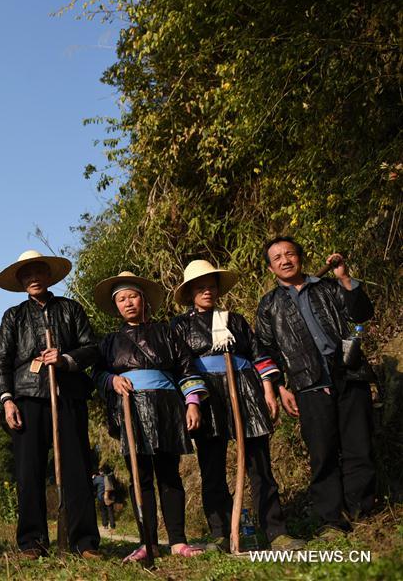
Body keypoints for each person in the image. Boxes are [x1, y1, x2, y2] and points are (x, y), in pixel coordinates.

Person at [171, 260, 303, 551]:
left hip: (244, 388)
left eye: (211, 286)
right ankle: (221, 534)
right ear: (191, 292)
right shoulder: (180, 326)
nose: (207, 291)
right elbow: (180, 365)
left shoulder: (235, 320)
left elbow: (258, 353)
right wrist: (191, 401)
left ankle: (276, 532)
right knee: (212, 467)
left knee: (260, 464)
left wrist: (268, 390)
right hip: (207, 393)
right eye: (200, 287)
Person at [256, 237, 375, 535]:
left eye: (290, 254)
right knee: (322, 453)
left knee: (358, 445)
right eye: (277, 258)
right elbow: (265, 351)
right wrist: (280, 387)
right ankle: (331, 519)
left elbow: (361, 314)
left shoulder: (327, 287)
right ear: (271, 268)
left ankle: (364, 513)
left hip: (348, 373)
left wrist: (345, 278)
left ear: (300, 257)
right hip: (307, 384)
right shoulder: (269, 305)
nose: (285, 260)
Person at [92, 271, 206, 561]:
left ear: (143, 299)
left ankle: (178, 541)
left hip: (166, 408)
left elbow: (186, 368)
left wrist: (192, 402)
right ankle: (148, 543)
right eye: (121, 299)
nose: (128, 303)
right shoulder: (109, 342)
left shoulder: (168, 332)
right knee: (139, 477)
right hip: (130, 410)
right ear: (116, 306)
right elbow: (97, 373)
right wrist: (111, 381)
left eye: (132, 296)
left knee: (169, 475)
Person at [0, 250, 100, 559]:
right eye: (27, 274)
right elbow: (1, 361)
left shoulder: (70, 309)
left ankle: (84, 542)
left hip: (67, 396)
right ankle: (32, 541)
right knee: (29, 472)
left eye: (39, 271)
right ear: (21, 281)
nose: (34, 277)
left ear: (49, 276)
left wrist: (66, 359)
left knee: (77, 469)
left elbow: (91, 349)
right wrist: (7, 399)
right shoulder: (13, 316)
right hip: (27, 397)